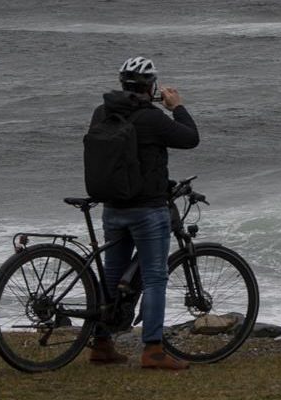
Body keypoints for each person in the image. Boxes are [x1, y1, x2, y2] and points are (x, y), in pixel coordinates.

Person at [87, 56, 199, 369]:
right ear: (150, 87)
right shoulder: (151, 117)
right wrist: (176, 106)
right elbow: (190, 138)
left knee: (112, 275)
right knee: (154, 278)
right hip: (147, 210)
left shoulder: (102, 112)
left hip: (112, 207)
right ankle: (153, 350)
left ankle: (102, 343)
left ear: (123, 84)